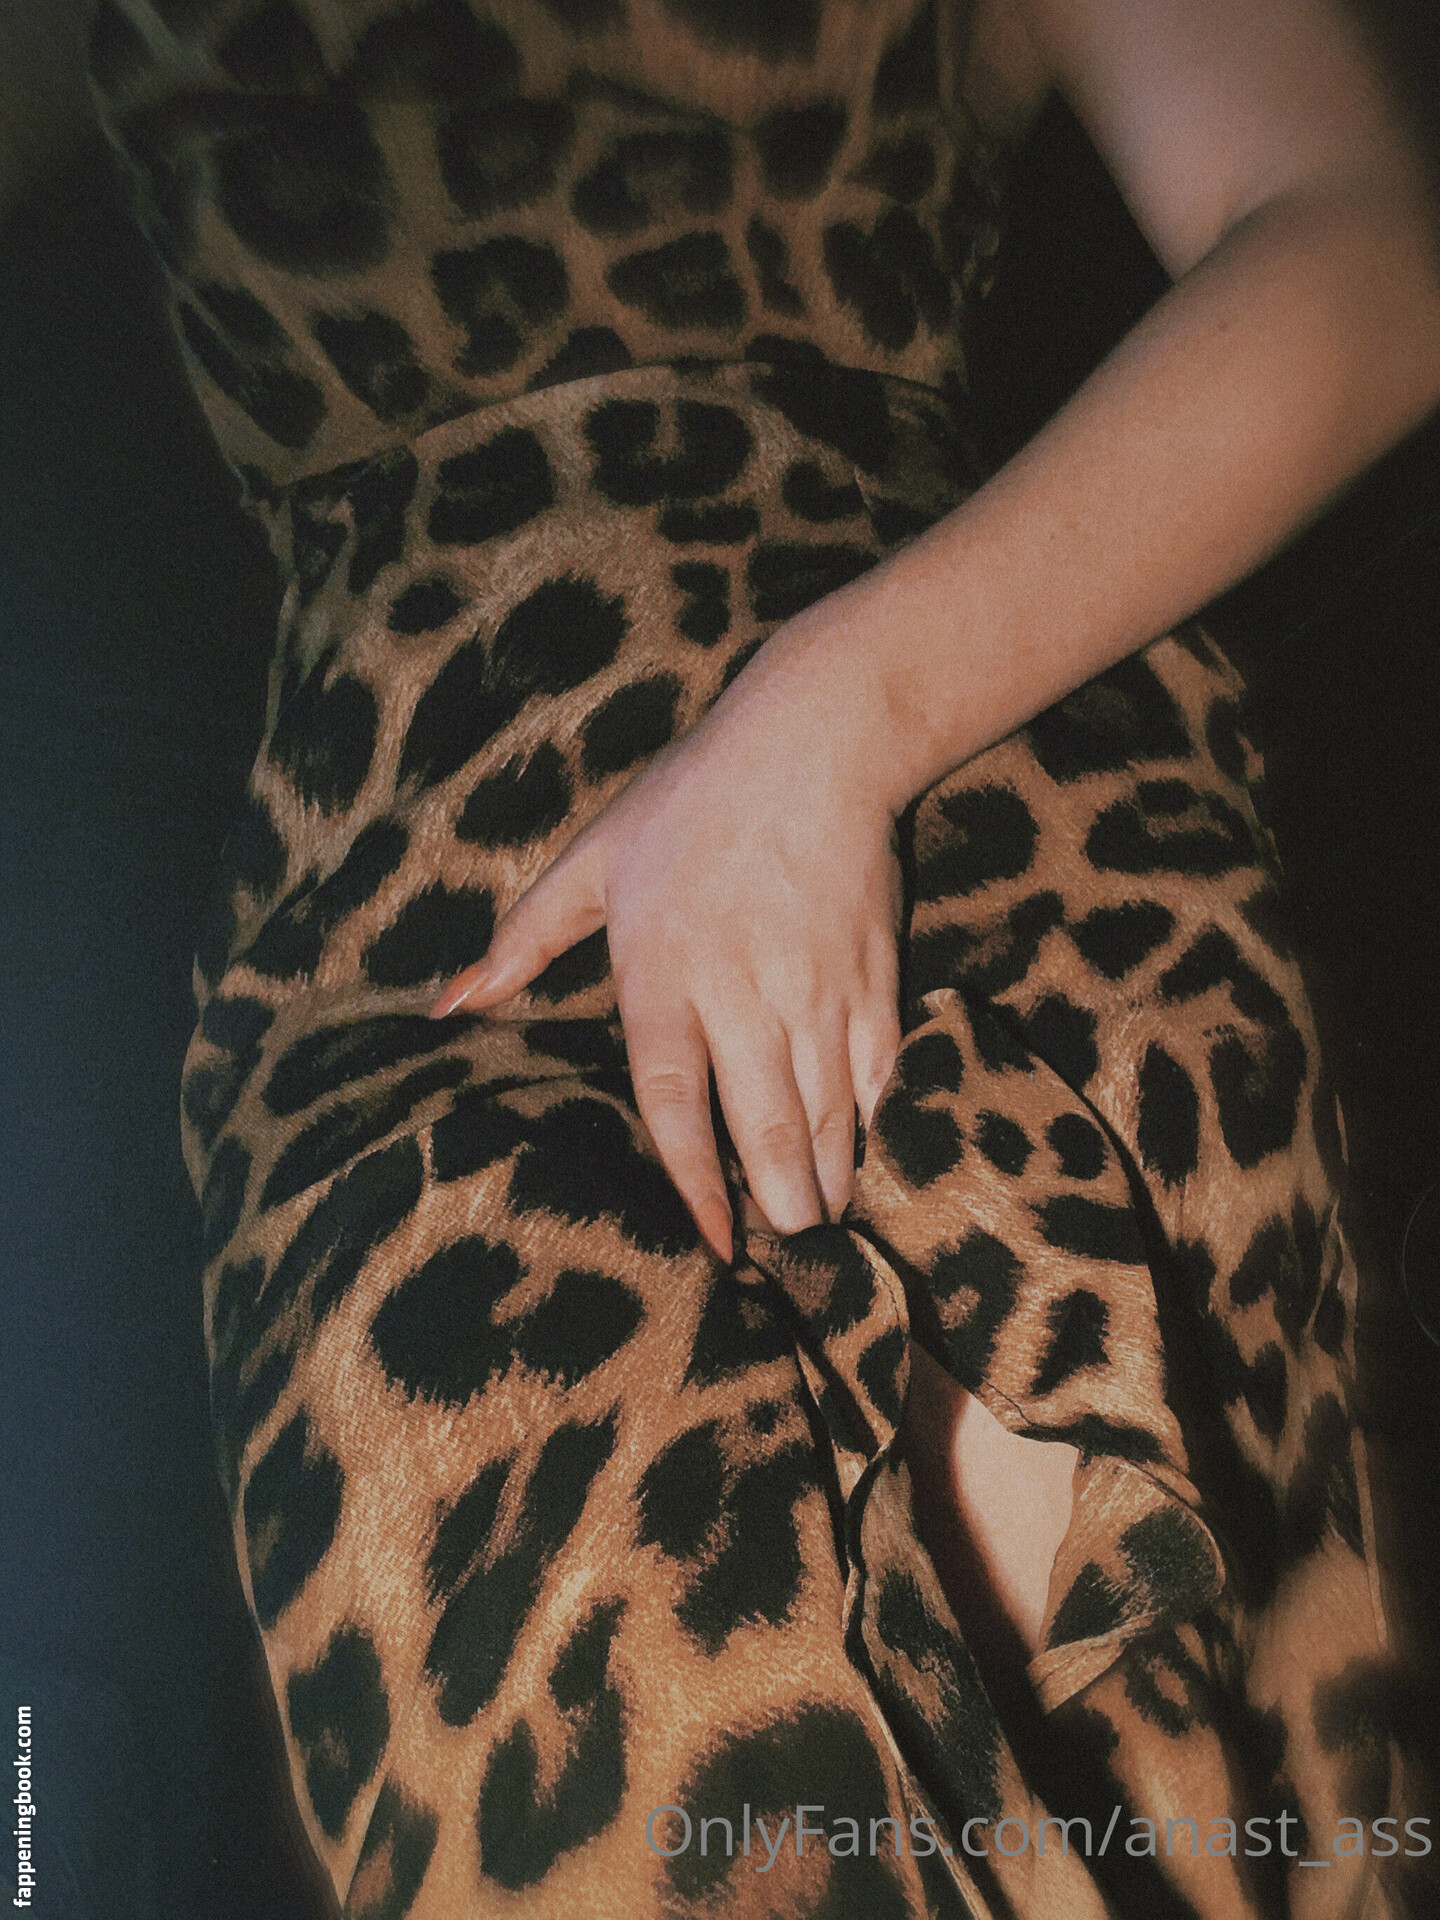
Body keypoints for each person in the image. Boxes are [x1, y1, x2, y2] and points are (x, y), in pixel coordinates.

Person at [88, 0, 1440, 1913]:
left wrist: (831, 723)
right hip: (417, 954)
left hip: (976, 794)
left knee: (1139, 1723)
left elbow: (1368, 249)